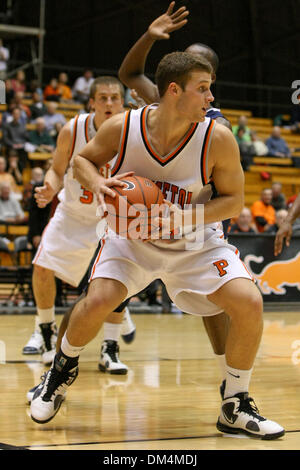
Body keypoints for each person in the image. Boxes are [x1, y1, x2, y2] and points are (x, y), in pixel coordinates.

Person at [30, 51, 285, 440]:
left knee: (248, 302)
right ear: (172, 91)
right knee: (97, 300)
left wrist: (184, 217)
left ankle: (235, 403)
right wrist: (98, 184)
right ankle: (59, 375)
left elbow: (233, 200)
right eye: (203, 89)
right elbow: (82, 161)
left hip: (195, 241)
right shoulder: (123, 126)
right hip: (130, 237)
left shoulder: (216, 137)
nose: (210, 98)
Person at [118, 1, 231, 386]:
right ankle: (73, 360)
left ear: (209, 78)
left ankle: (229, 381)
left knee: (214, 303)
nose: (183, 62)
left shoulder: (213, 124)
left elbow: (217, 190)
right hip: (144, 215)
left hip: (192, 220)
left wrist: (185, 222)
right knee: (101, 288)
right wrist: (150, 36)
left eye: (193, 62)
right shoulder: (162, 101)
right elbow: (129, 72)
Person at [23, 76, 135, 378]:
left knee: (117, 281)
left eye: (115, 97)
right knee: (42, 267)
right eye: (103, 98)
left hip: (112, 218)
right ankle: (45, 328)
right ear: (92, 102)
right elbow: (56, 170)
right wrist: (49, 188)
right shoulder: (73, 129)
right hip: (74, 212)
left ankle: (110, 348)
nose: (109, 103)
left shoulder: (133, 131)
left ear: (122, 102)